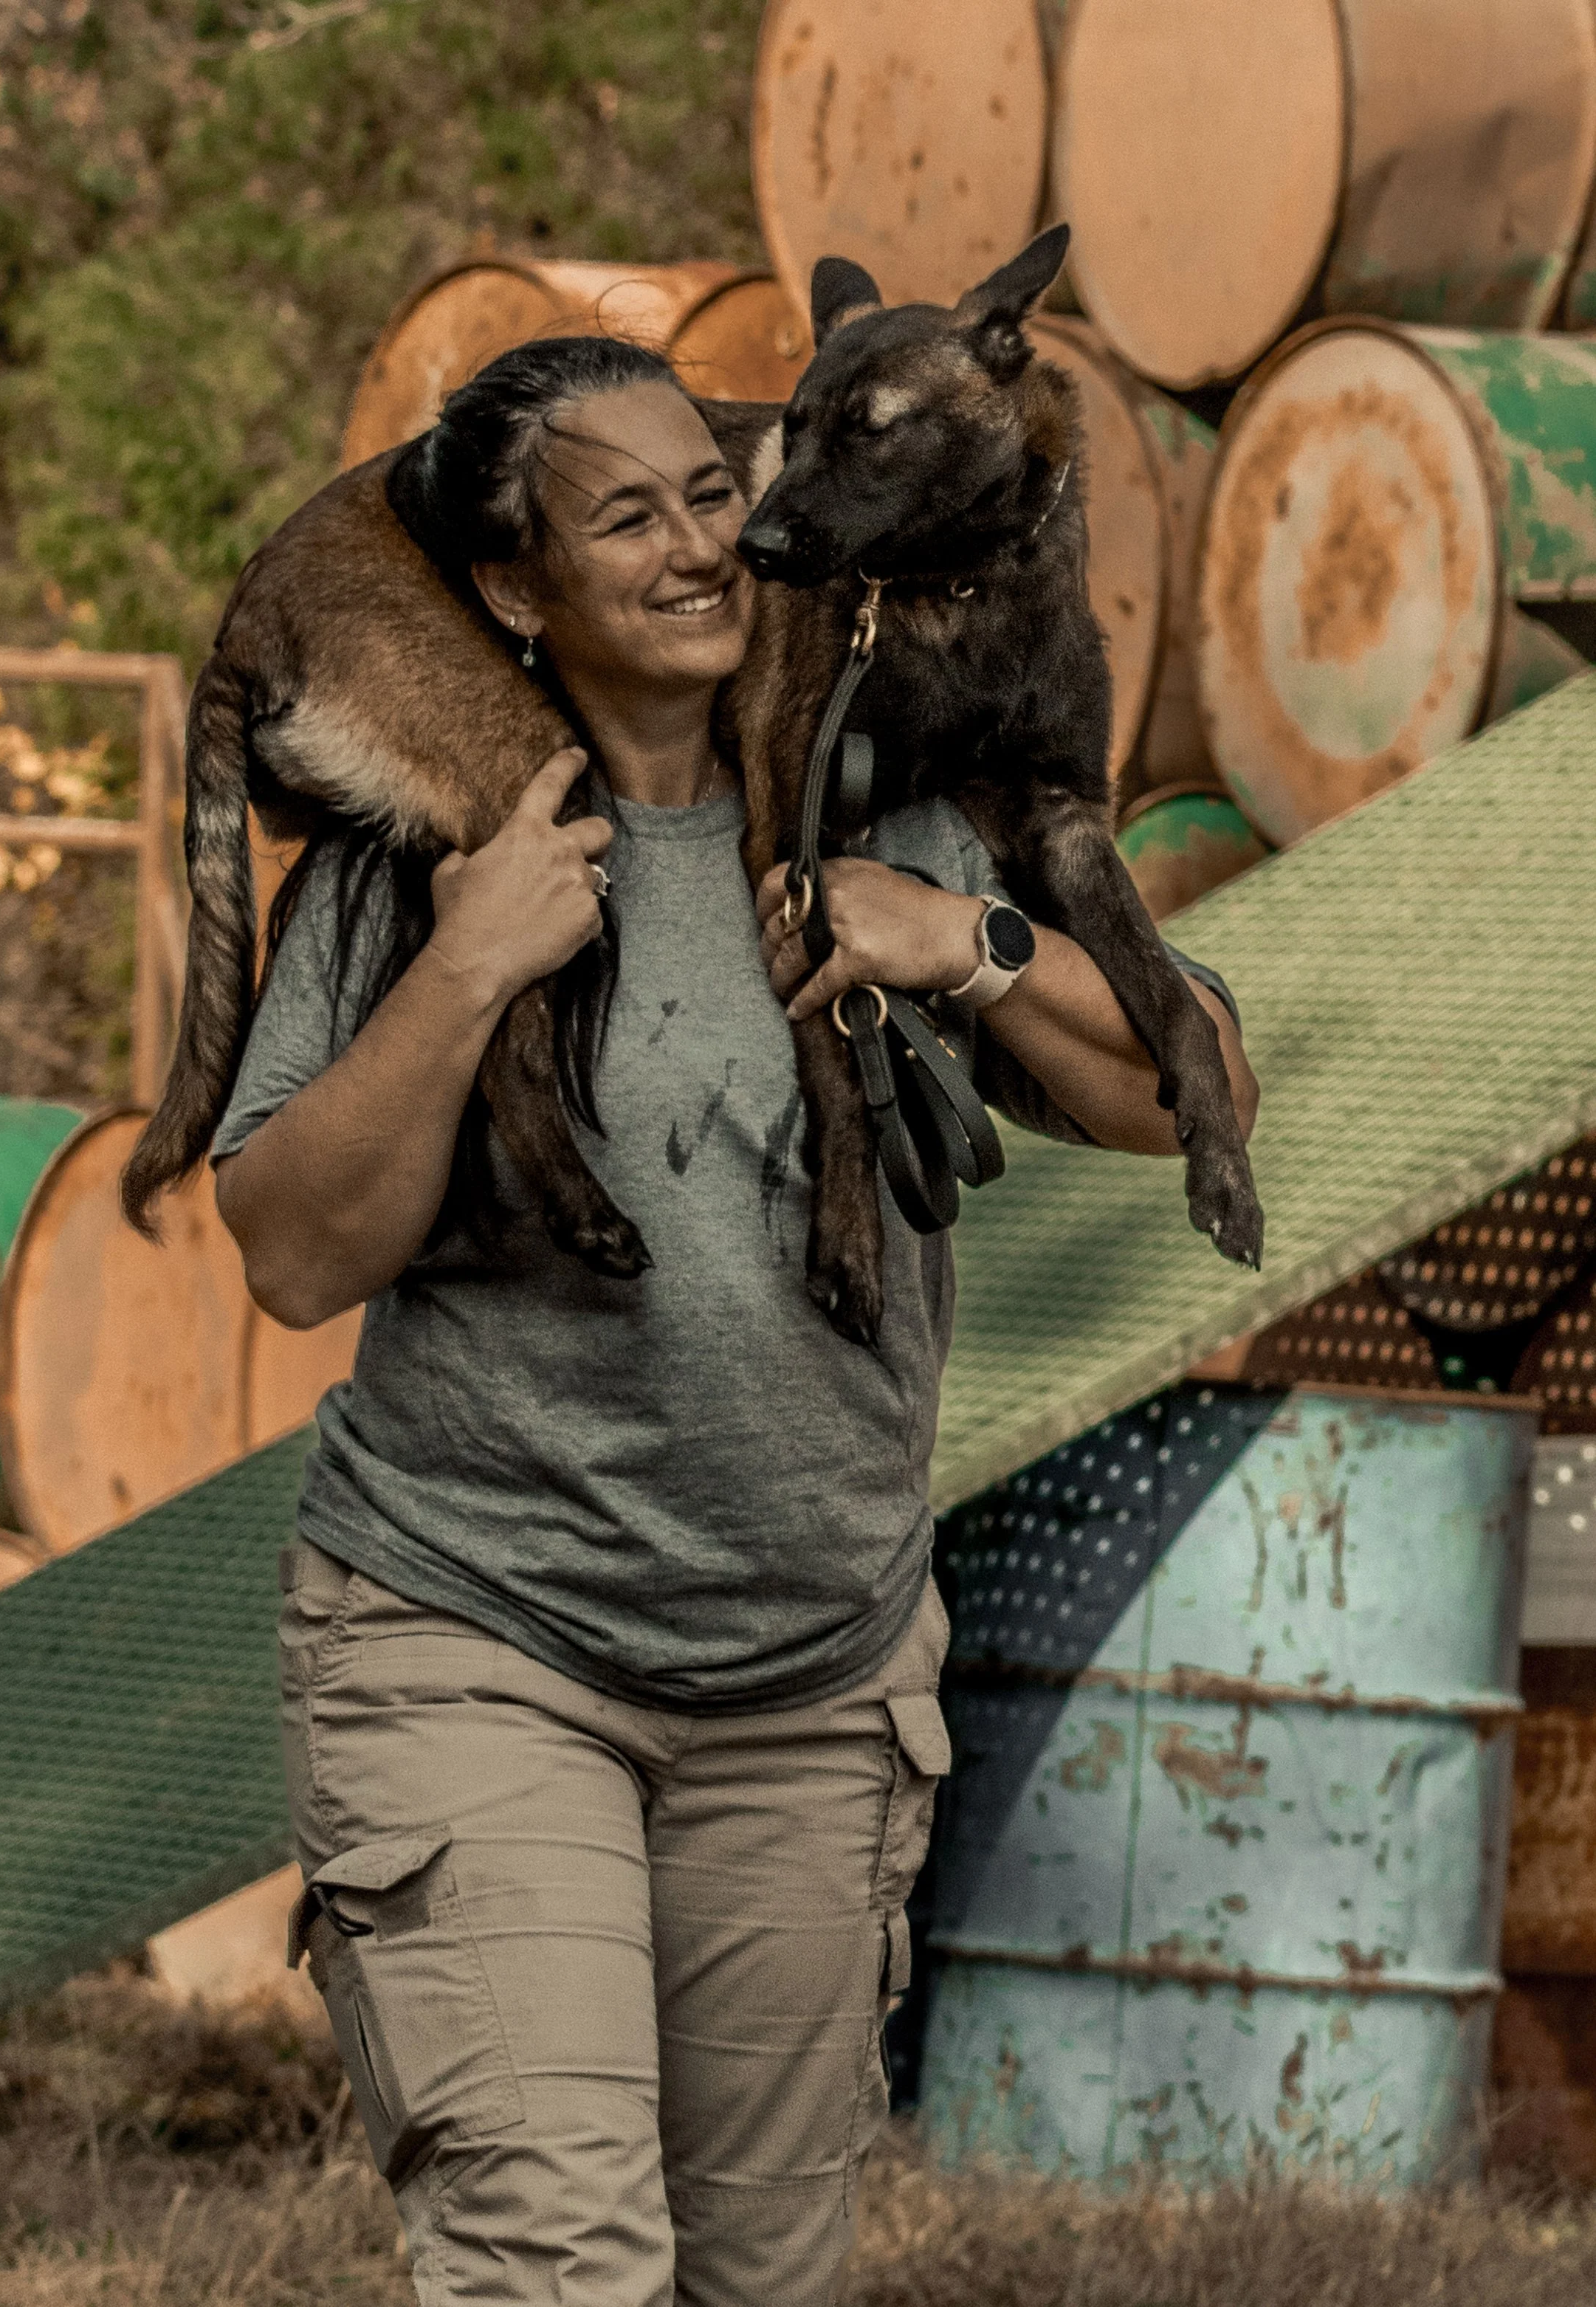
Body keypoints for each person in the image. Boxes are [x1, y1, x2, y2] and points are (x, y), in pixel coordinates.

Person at [210, 334, 1258, 2307]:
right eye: (629, 516)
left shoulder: (890, 794)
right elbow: (284, 1248)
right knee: (561, 2267)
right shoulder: (422, 848)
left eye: (713, 487)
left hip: (813, 1680)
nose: (704, 543)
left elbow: (1181, 1087)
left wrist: (962, 938)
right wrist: (468, 970)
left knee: (759, 2280)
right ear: (515, 588)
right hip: (481, 1643)